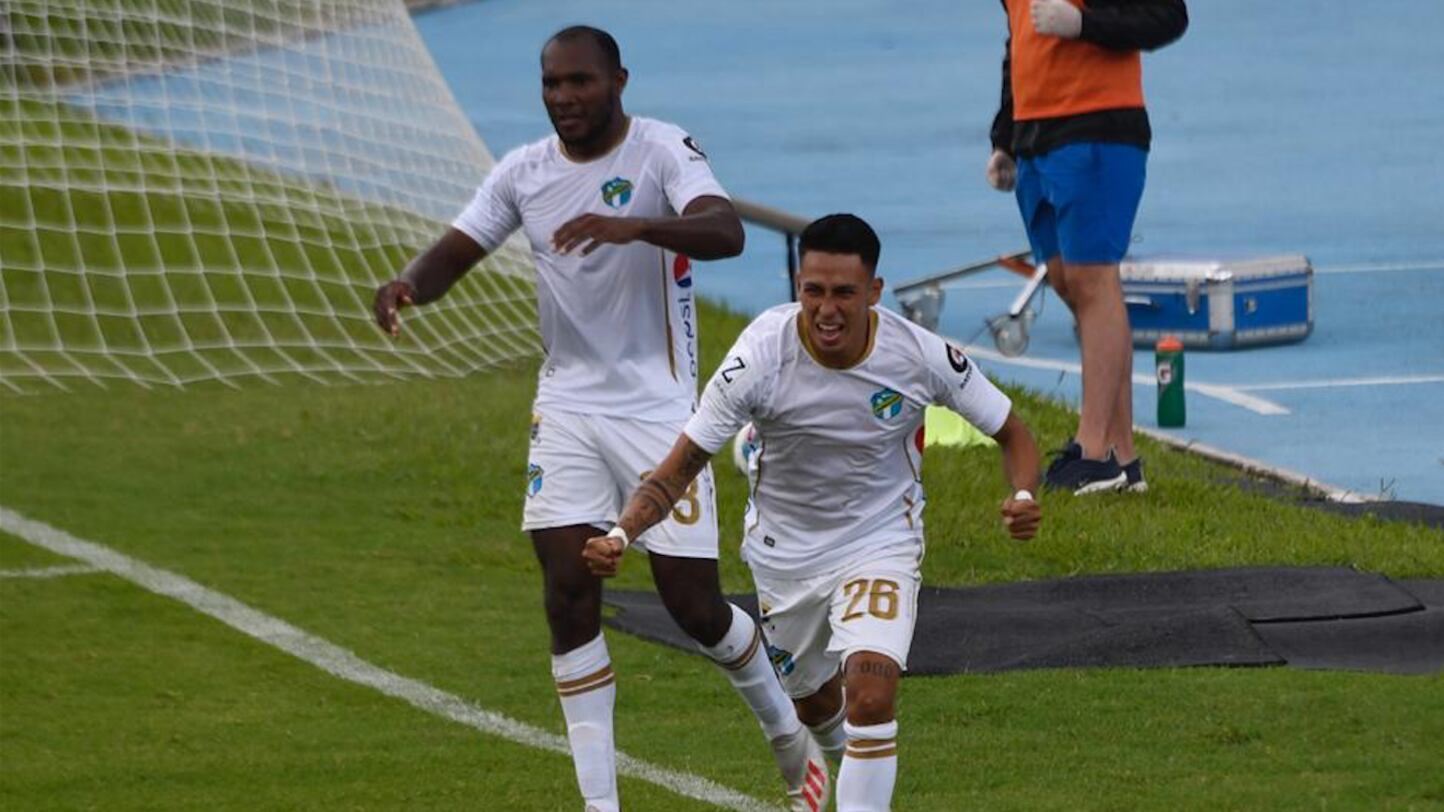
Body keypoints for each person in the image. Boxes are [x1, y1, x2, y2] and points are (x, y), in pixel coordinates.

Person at [372, 26, 828, 812]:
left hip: (660, 412)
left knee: (694, 607)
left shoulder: (661, 151)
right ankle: (600, 803)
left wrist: (637, 224)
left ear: (619, 80)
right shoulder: (523, 171)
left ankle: (790, 739)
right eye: (551, 84)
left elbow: (725, 231)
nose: (563, 98)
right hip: (568, 407)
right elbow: (457, 250)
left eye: (579, 81)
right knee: (567, 591)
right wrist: (407, 284)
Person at [583, 214, 1043, 812]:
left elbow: (1013, 433)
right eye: (813, 291)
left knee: (870, 695)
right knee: (816, 704)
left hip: (880, 539)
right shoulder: (759, 355)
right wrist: (622, 533)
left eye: (844, 293)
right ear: (798, 285)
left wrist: (1024, 495)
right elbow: (680, 465)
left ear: (874, 292)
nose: (826, 310)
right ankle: (838, 769)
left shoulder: (921, 356)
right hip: (785, 555)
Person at [984, 0, 1188, 494]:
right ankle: (1123, 456)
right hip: (1036, 134)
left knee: (1093, 282)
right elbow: (1019, 43)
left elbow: (1166, 16)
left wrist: (1083, 24)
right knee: (1068, 282)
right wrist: (1005, 137)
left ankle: (1093, 451)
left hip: (1098, 126)